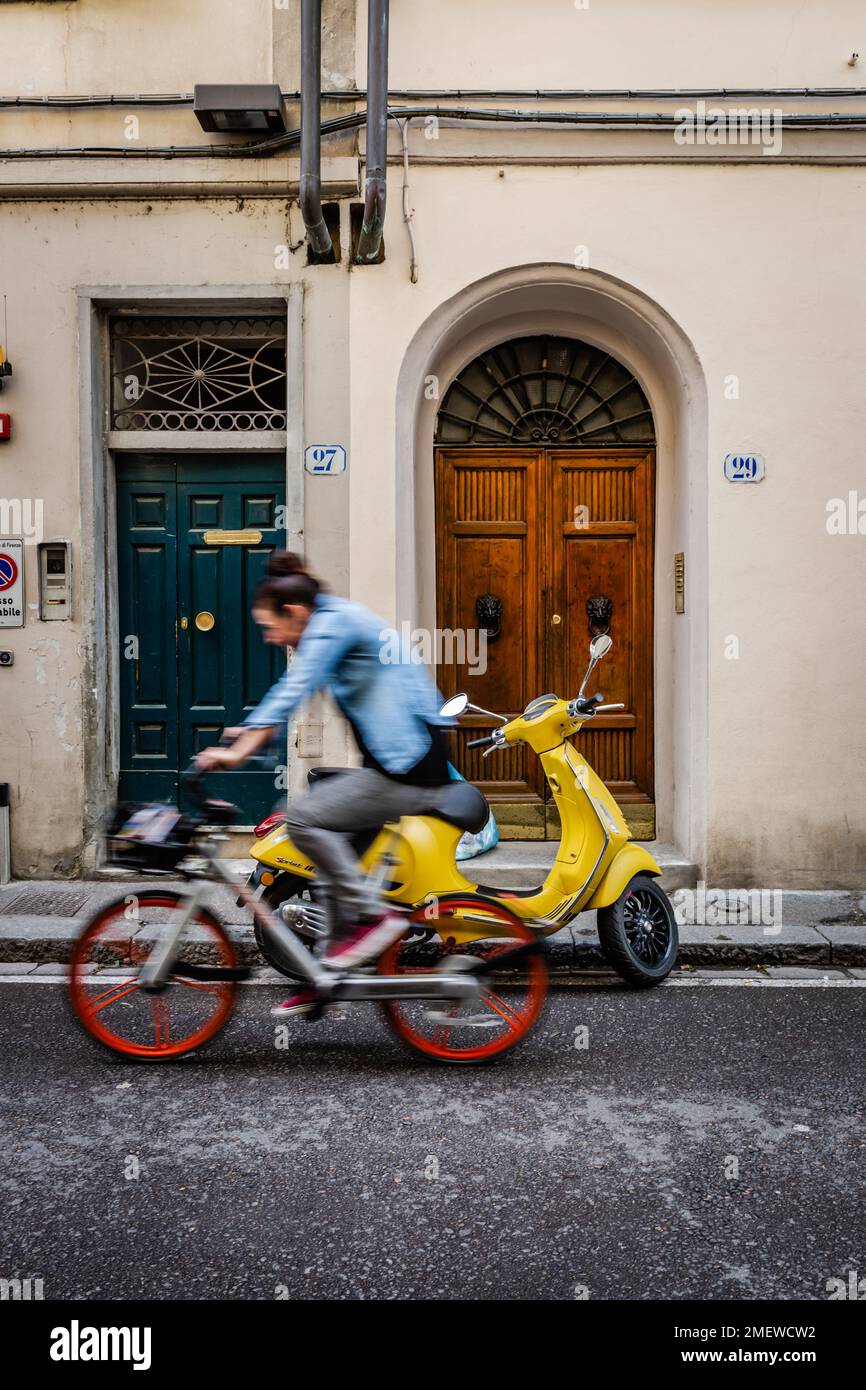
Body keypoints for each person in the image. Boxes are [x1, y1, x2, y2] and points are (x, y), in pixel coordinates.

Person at [196, 552, 454, 1018]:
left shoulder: (331, 626)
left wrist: (237, 749)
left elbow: (294, 689)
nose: (270, 638)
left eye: (270, 627)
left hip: (411, 765)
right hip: (396, 760)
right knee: (328, 843)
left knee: (303, 820)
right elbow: (290, 698)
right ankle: (326, 975)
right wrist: (247, 733)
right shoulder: (331, 620)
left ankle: (371, 919)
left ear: (294, 613)